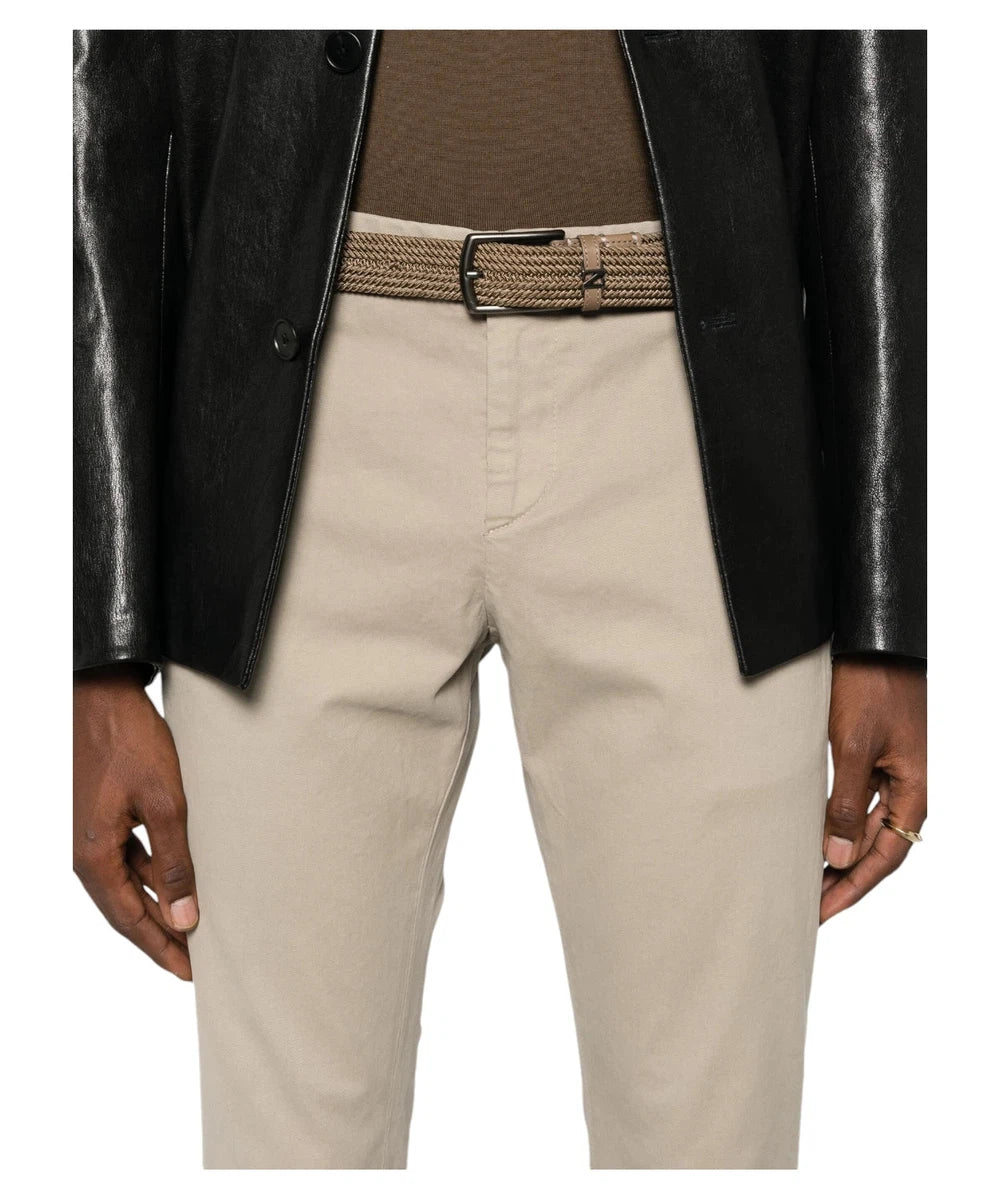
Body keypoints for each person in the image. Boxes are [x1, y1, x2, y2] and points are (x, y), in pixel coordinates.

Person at [73, 30, 927, 1169]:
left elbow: (877, 56)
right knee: (285, 1154)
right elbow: (101, 87)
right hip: (287, 411)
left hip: (692, 415)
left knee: (710, 1146)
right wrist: (95, 642)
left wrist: (888, 614)